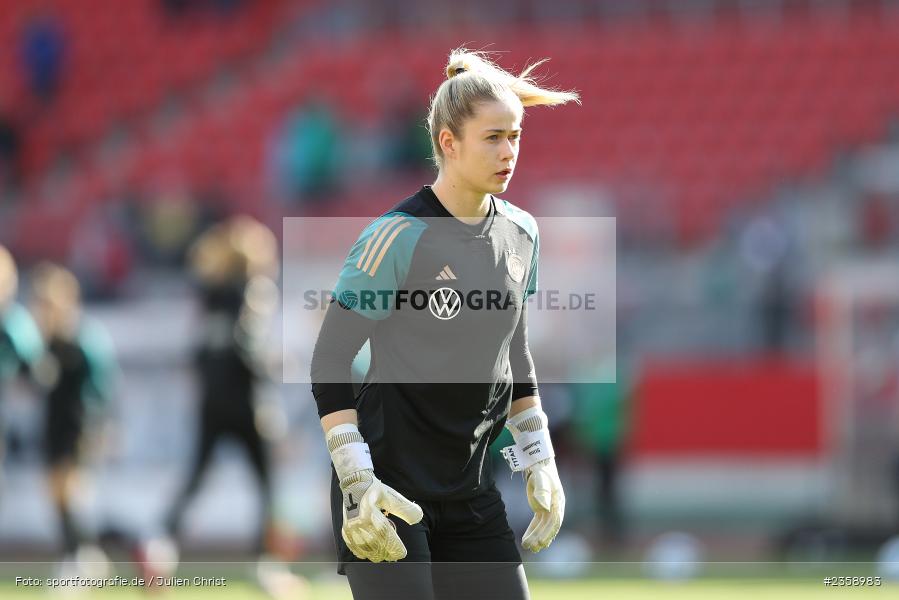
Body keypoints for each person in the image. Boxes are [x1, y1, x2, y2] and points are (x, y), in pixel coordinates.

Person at [310, 49, 579, 599]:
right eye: (493, 138)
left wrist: (538, 456)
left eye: (516, 136)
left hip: (473, 491)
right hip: (388, 489)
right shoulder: (396, 236)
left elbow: (515, 353)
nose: (509, 152)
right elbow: (330, 357)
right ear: (448, 143)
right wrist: (355, 476)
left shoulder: (522, 234)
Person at [161, 216, 305, 597]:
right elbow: (249, 345)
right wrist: (275, 364)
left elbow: (198, 351)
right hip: (248, 403)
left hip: (212, 402)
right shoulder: (255, 290)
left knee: (195, 479)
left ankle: (159, 549)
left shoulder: (208, 292)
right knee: (268, 487)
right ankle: (266, 568)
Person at [28, 263, 116, 573]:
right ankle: (85, 557)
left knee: (73, 492)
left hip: (80, 425)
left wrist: (103, 427)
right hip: (55, 424)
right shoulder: (44, 343)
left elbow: (101, 387)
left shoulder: (84, 339)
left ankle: (81, 558)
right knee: (57, 493)